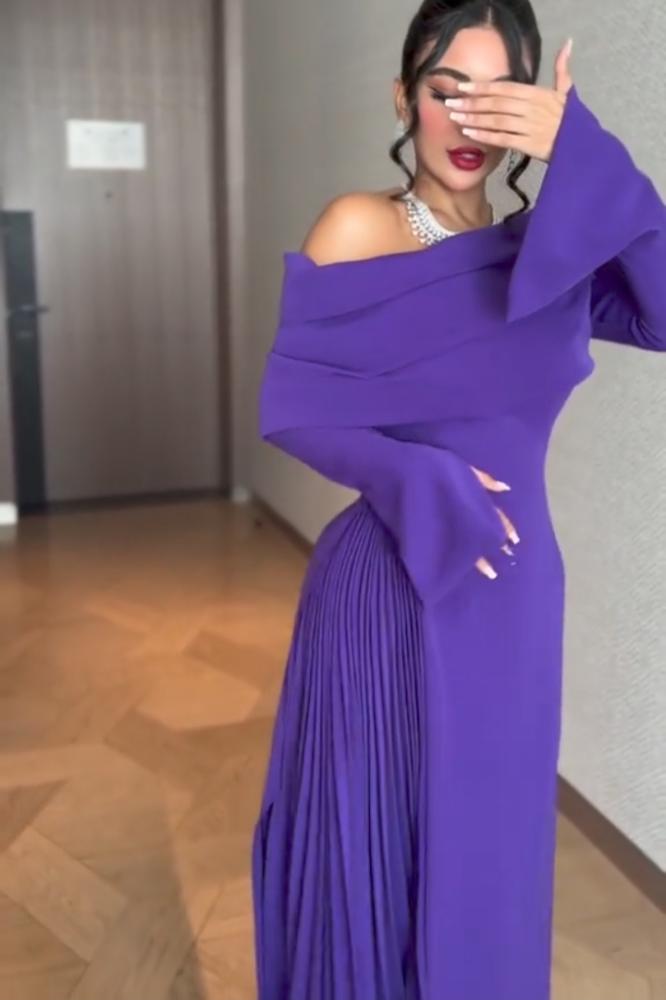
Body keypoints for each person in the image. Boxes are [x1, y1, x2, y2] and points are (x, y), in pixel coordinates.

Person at [251, 2, 666, 998]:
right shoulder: (360, 225)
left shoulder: (549, 253)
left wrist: (585, 151)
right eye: (448, 92)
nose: (471, 122)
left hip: (512, 594)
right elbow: (295, 409)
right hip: (386, 587)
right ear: (404, 99)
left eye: (500, 98)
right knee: (378, 848)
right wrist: (419, 476)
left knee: (492, 856)